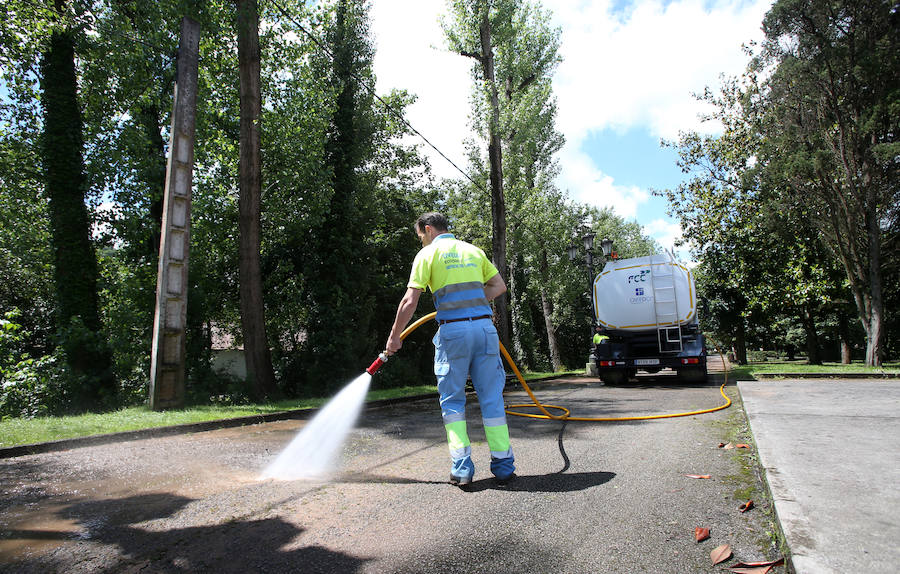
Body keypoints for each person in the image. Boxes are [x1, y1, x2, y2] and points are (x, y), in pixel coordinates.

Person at [385, 212, 515, 487]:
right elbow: (499, 286)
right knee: (491, 398)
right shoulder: (473, 251)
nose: (421, 241)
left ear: (428, 229)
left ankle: (462, 469)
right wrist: (475, 302)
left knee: (453, 402)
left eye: (420, 235)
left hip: (453, 332)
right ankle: (504, 467)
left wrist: (394, 337)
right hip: (484, 330)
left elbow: (410, 300)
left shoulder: (428, 255)